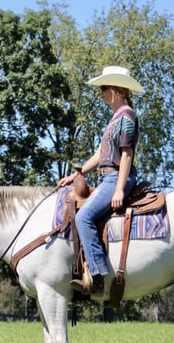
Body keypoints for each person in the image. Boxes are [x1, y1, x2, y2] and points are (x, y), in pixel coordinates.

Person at [58, 66, 143, 296]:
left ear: (115, 90)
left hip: (117, 178)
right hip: (108, 177)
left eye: (103, 88)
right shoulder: (114, 119)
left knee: (84, 217)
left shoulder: (127, 116)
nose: (100, 93)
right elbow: (99, 155)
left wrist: (118, 189)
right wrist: (78, 173)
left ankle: (97, 276)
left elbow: (126, 154)